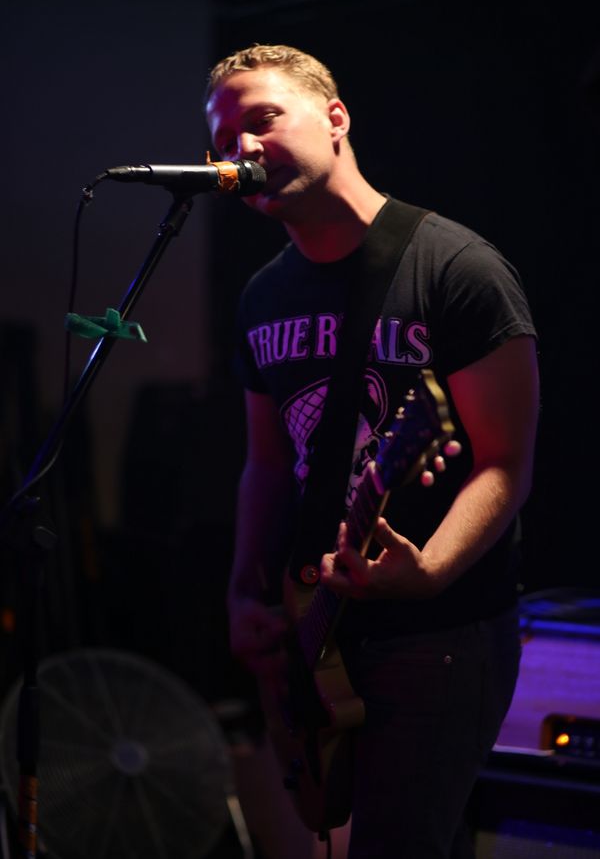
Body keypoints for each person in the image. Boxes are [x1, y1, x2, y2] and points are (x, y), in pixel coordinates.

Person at [205, 44, 539, 859]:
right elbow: (268, 465)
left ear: (336, 118)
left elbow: (504, 462)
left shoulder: (456, 268)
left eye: (263, 120)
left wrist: (430, 569)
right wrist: (245, 593)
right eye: (221, 141)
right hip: (317, 626)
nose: (239, 150)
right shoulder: (263, 295)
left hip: (441, 634)